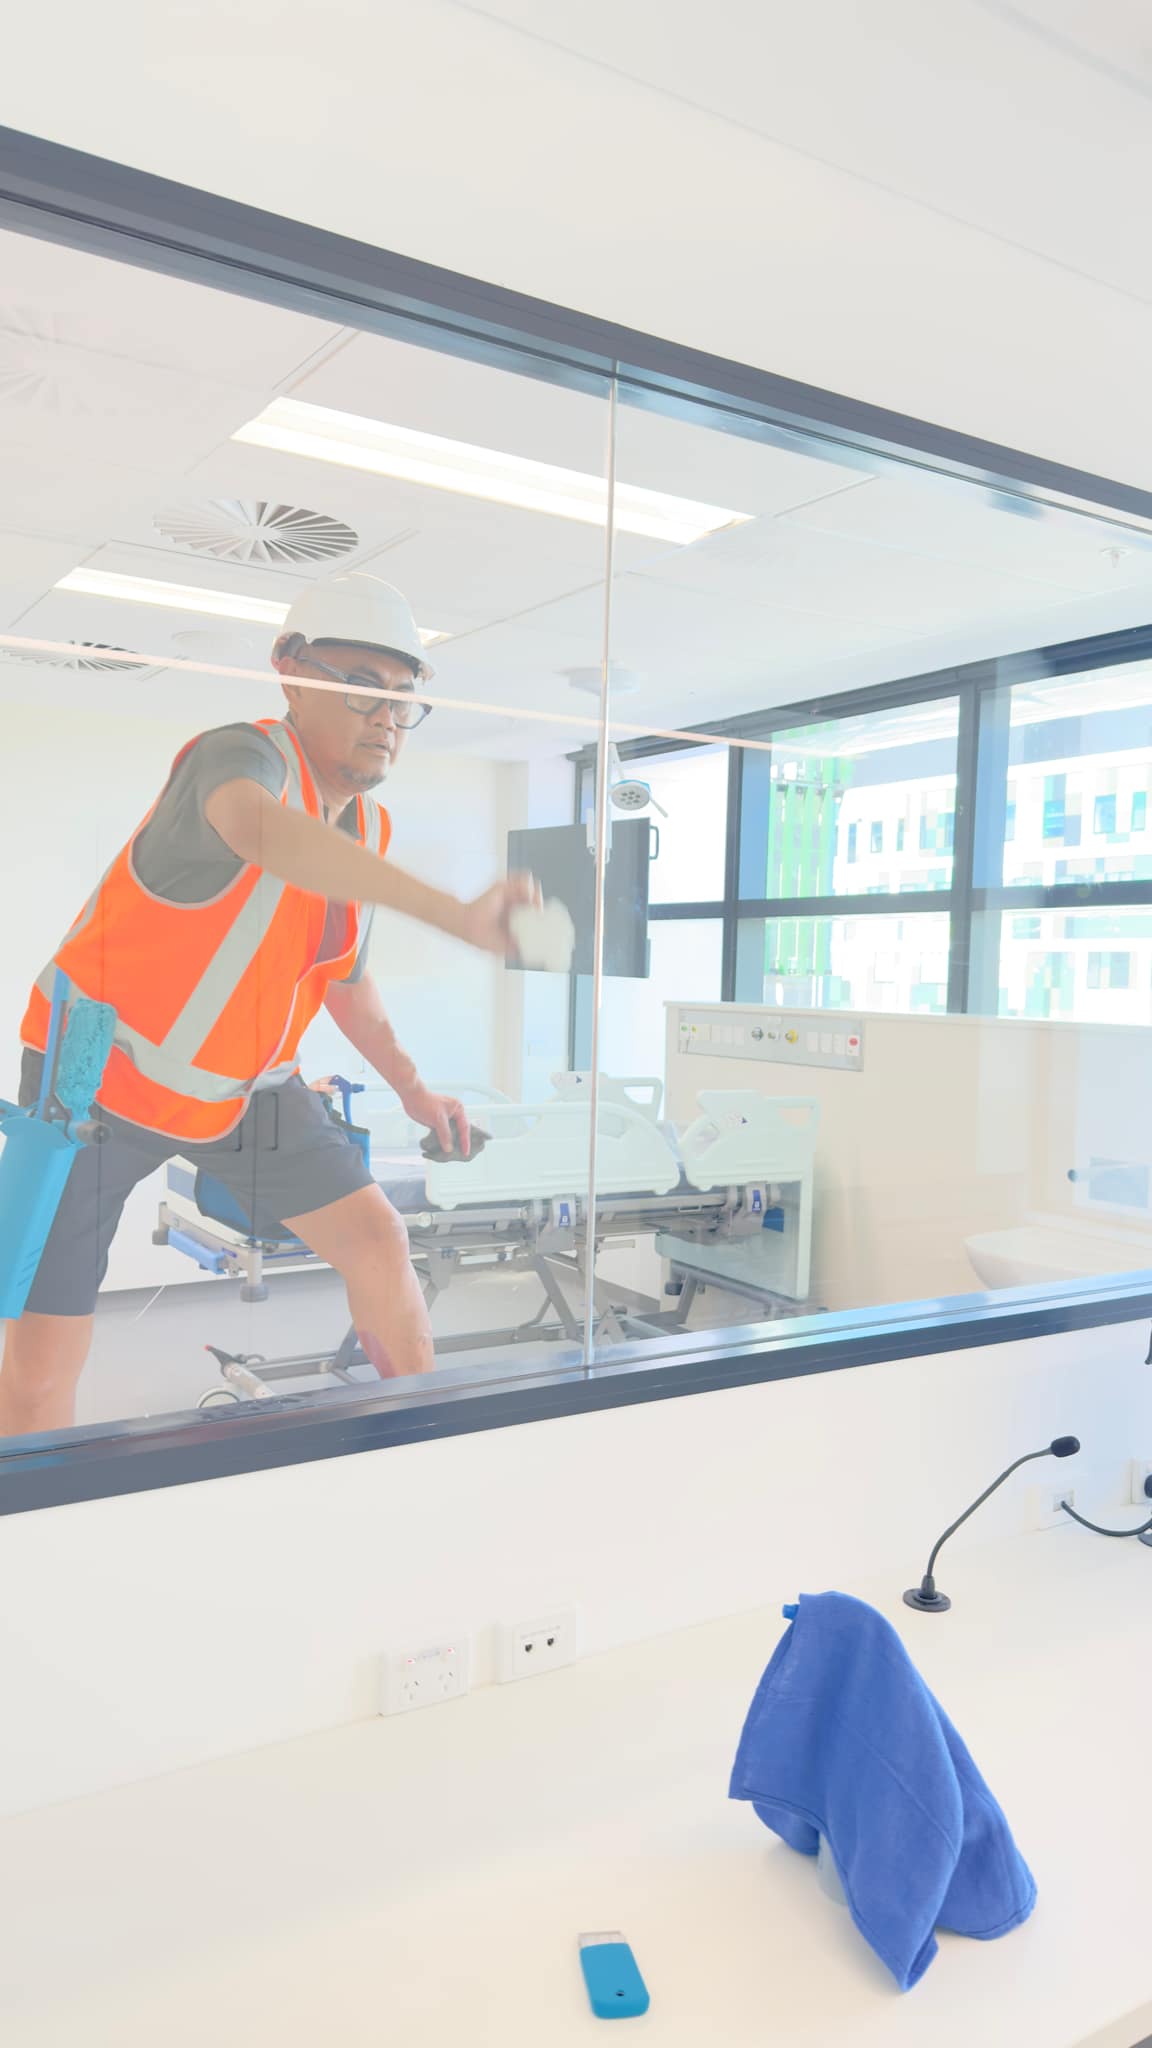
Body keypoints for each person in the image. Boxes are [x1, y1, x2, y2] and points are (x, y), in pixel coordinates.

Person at [0, 576, 536, 1436]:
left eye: (403, 699)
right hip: (96, 1081)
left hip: (248, 1093)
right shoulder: (236, 759)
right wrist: (451, 914)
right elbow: (259, 832)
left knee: (378, 1238)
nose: (386, 717)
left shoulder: (368, 829)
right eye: (360, 687)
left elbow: (345, 980)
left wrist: (414, 1092)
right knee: (40, 1367)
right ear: (290, 670)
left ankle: (421, 1437)